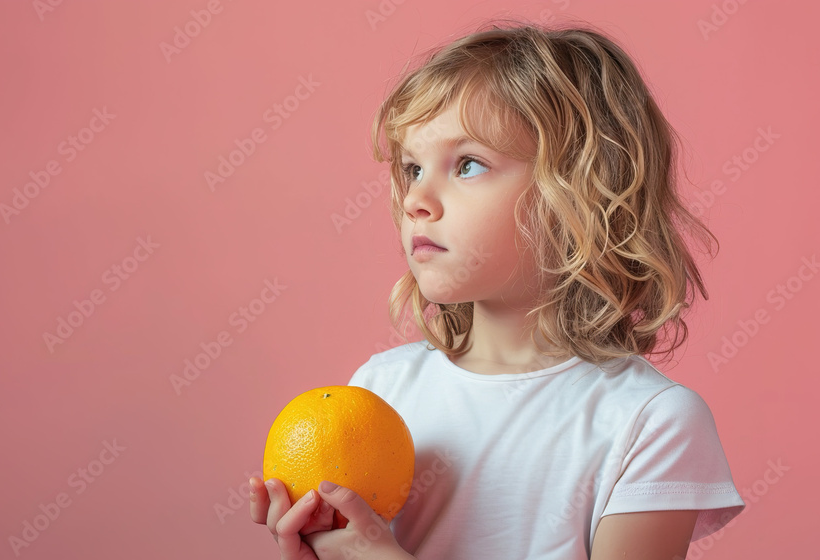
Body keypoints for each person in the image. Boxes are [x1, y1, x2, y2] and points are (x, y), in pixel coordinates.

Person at [248, 18, 745, 560]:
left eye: (467, 165)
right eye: (412, 169)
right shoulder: (377, 393)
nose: (417, 199)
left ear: (579, 196)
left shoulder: (651, 422)